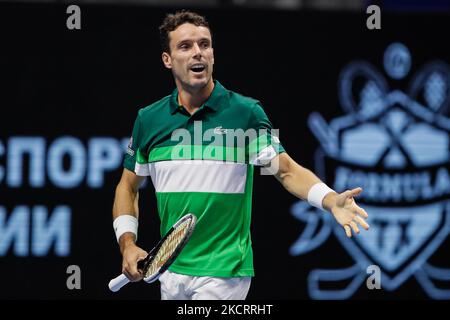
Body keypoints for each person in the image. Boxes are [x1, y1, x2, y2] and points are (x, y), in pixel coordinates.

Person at [112, 10, 369, 300]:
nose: (198, 53)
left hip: (224, 272)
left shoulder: (245, 113)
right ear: (167, 59)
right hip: (170, 271)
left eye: (204, 44)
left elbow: (285, 170)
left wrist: (330, 199)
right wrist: (127, 244)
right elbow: (128, 186)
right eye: (185, 46)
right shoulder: (148, 120)